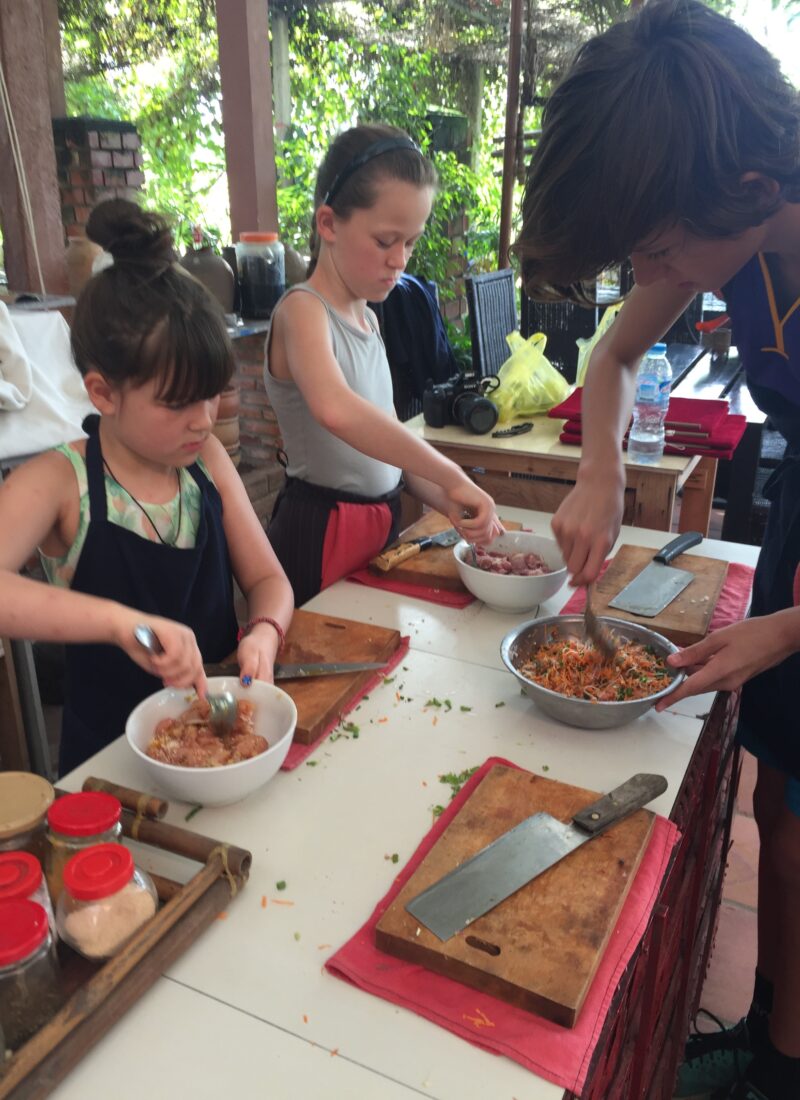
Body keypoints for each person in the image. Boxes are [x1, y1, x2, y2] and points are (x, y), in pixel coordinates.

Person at [511, 3, 800, 1099]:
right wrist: (596, 469)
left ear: (755, 191)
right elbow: (615, 350)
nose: (652, 267)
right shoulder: (713, 219)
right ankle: (776, 1032)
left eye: (661, 247)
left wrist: (788, 626)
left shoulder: (730, 197)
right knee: (778, 800)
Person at [0, 199, 294, 775]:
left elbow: (268, 578)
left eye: (211, 395)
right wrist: (119, 623)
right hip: (108, 768)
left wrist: (265, 630)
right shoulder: (62, 480)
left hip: (217, 747)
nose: (204, 420)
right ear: (103, 393)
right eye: (178, 403)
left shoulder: (205, 459)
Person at [264, 123, 502, 605]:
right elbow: (337, 409)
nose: (401, 261)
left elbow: (388, 441)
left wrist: (447, 498)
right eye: (385, 241)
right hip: (322, 529)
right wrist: (451, 472)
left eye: (410, 243)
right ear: (328, 224)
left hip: (380, 524)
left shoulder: (370, 320)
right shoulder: (303, 311)